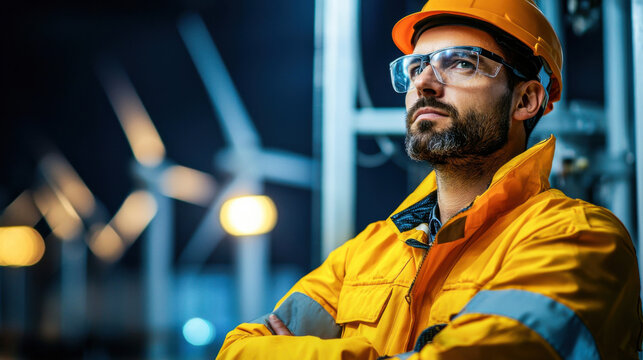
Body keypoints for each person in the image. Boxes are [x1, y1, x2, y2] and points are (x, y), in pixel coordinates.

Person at [217, 0, 643, 358]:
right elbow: (237, 349)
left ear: (526, 99)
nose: (424, 82)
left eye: (460, 63)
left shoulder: (579, 239)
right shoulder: (369, 250)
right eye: (416, 66)